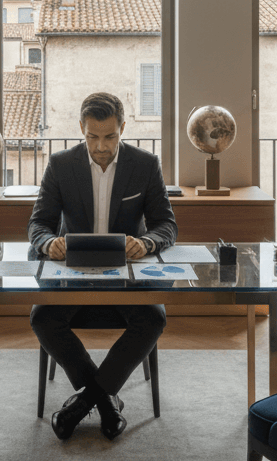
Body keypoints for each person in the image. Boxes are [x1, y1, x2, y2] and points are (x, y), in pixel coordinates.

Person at [28, 91, 178, 441]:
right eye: (92, 136)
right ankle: (106, 400)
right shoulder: (61, 165)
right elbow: (38, 225)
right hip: (72, 275)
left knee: (154, 318)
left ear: (123, 128)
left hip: (126, 275)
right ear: (81, 128)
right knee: (42, 317)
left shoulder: (145, 164)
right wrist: (50, 243)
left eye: (110, 136)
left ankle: (83, 404)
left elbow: (166, 225)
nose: (100, 146)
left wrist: (146, 243)